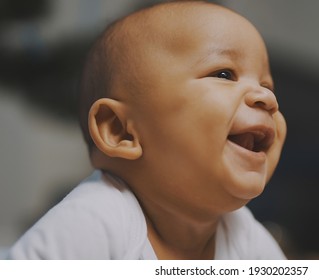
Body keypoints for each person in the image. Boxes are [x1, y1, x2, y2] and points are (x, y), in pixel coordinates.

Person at [7, 0, 287, 259]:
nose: (267, 98)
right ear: (120, 131)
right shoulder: (95, 222)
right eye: (224, 74)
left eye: (266, 85)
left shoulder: (248, 241)